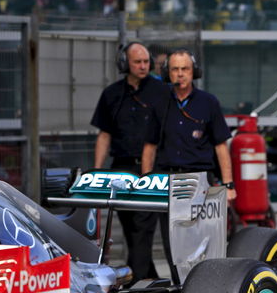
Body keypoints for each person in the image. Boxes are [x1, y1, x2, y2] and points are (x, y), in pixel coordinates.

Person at [141, 48, 235, 284]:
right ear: (167, 72)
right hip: (169, 183)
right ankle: (181, 286)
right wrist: (145, 182)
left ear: (194, 72)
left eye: (185, 69)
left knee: (204, 242)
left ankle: (207, 286)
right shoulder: (159, 104)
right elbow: (149, 147)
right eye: (175, 69)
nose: (180, 74)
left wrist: (228, 184)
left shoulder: (209, 102)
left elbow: (221, 147)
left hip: (201, 182)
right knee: (174, 246)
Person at [91, 42, 170, 284]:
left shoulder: (161, 92)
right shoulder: (112, 94)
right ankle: (151, 278)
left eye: (147, 61)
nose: (144, 66)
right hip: (122, 166)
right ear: (125, 64)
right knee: (129, 226)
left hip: (151, 168)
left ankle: (136, 282)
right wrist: (97, 171)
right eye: (138, 62)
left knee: (142, 227)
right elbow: (104, 135)